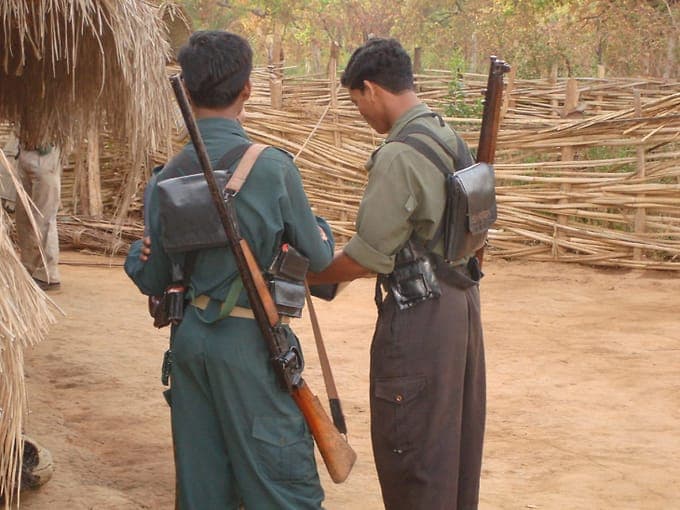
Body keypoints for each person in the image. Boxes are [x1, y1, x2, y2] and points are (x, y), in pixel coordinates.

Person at [124, 31, 334, 510]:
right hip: (252, 345)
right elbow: (319, 261)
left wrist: (137, 253)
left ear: (186, 90)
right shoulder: (272, 168)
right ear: (247, 89)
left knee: (203, 489)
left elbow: (153, 279)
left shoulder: (165, 177)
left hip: (190, 344)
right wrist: (319, 228)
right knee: (280, 488)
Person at [307, 38, 486, 510]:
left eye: (356, 102)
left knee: (413, 453)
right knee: (451, 451)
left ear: (370, 89)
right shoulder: (444, 132)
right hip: (460, 308)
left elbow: (367, 256)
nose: (361, 113)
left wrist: (307, 275)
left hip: (420, 319)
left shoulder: (398, 155)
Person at [2, 129, 62, 291]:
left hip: (46, 155)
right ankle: (29, 268)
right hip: (23, 152)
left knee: (44, 217)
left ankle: (48, 274)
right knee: (23, 218)